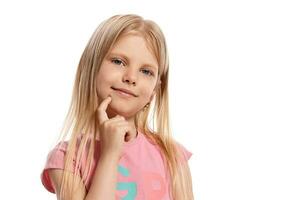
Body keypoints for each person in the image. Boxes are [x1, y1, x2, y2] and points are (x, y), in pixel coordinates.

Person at [40, 14, 194, 200]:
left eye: (146, 71)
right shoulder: (66, 158)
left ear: (154, 90)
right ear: (91, 67)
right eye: (118, 62)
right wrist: (110, 153)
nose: (131, 77)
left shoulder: (171, 156)